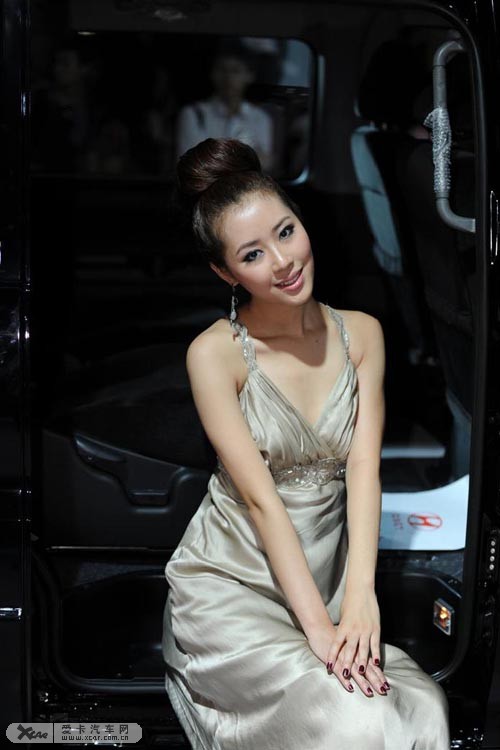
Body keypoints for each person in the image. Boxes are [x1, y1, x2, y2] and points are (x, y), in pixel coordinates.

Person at [161, 137, 450, 749]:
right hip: (234, 586)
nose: (283, 262)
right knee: (355, 717)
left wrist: (361, 600)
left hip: (330, 578)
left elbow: (364, 469)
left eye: (286, 232)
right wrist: (318, 630)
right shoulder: (214, 354)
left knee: (421, 706)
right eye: (253, 254)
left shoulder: (362, 335)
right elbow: (261, 502)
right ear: (225, 273)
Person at [175, 51, 274, 172]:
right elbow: (192, 164)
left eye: (235, 71)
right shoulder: (193, 114)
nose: (228, 77)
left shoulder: (260, 117)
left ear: (249, 75)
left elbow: (265, 163)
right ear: (213, 74)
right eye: (222, 70)